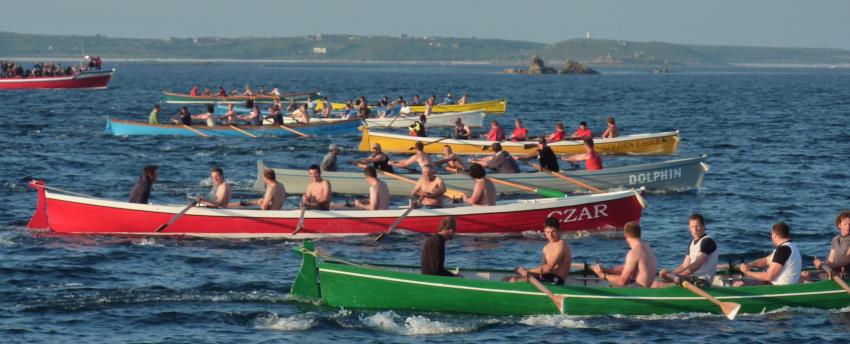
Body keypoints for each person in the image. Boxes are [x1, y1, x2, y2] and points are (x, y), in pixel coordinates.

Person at [505, 217, 572, 284]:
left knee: (514, 280)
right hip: (547, 277)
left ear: (558, 231)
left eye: (553, 232)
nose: (550, 235)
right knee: (507, 278)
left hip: (556, 280)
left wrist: (527, 271)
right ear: (544, 232)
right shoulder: (546, 247)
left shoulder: (561, 245)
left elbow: (548, 268)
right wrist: (525, 272)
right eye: (548, 232)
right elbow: (542, 268)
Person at [592, 221, 658, 288]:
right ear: (639, 233)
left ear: (625, 235)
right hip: (645, 287)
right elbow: (627, 267)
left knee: (609, 286)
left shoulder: (634, 253)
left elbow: (622, 281)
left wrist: (602, 275)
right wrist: (606, 270)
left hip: (638, 290)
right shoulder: (647, 247)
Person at [661, 214, 719, 287]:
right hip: (692, 279)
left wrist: (678, 275)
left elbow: (697, 264)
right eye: (692, 227)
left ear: (703, 226)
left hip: (702, 281)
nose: (695, 230)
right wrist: (672, 274)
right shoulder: (691, 243)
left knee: (659, 284)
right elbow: (685, 265)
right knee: (661, 282)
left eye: (697, 226)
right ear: (689, 228)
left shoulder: (707, 241)